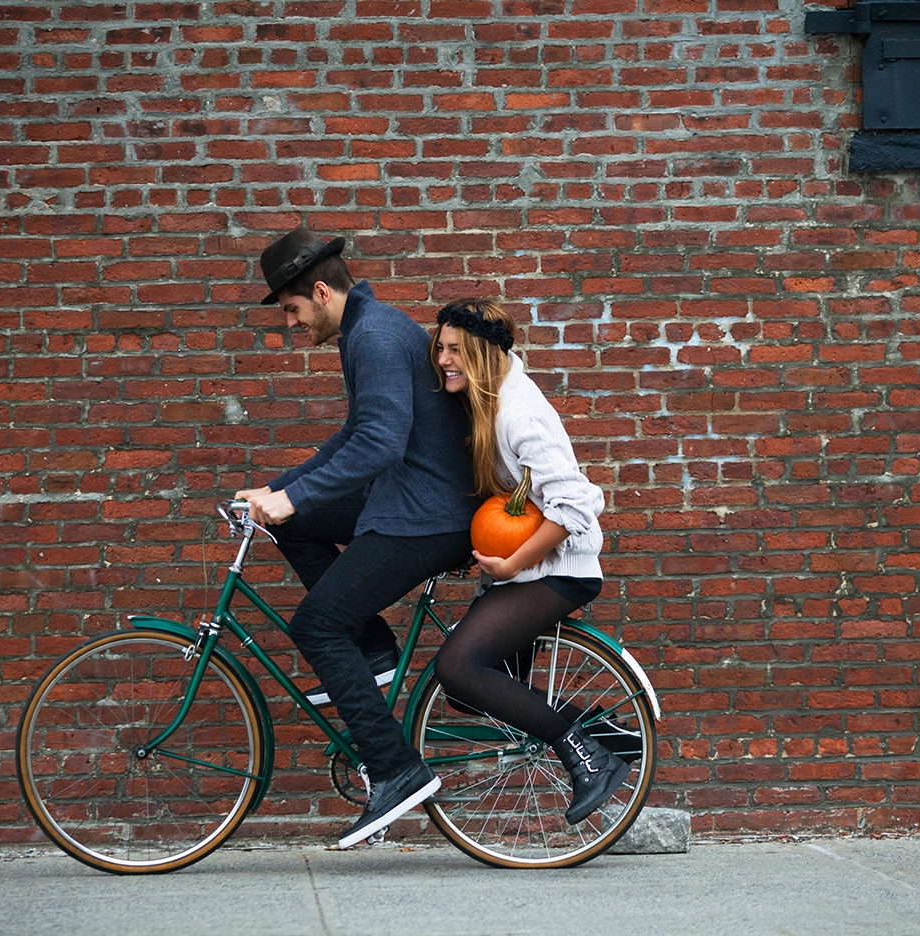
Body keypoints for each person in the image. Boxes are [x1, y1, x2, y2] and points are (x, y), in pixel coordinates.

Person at [234, 230, 478, 849]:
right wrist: (277, 493)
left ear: (321, 291)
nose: (290, 324)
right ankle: (371, 652)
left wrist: (291, 495)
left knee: (316, 625)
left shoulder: (371, 336)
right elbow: (356, 435)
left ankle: (396, 769)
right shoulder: (371, 327)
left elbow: (380, 445)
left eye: (292, 309)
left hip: (427, 517)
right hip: (410, 502)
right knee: (295, 520)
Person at [428, 299, 632, 825]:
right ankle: (607, 737)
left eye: (456, 351)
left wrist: (510, 563)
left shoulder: (520, 415)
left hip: (557, 571)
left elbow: (576, 503)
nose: (444, 360)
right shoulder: (490, 397)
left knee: (457, 667)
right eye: (440, 349)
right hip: (529, 568)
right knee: (474, 693)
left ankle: (591, 761)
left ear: (482, 354)